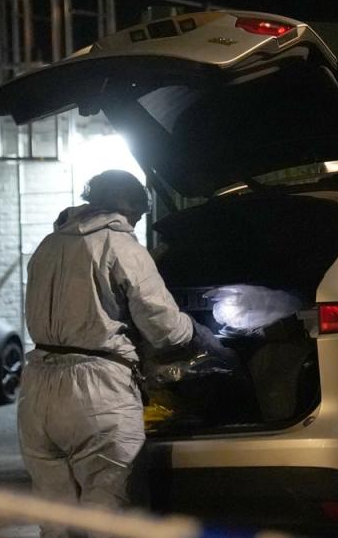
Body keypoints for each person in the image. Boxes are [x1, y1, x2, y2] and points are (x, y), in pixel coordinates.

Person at [17, 169, 210, 537]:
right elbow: (164, 327)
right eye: (136, 214)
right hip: (96, 392)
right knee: (110, 515)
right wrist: (198, 332)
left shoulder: (47, 245)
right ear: (129, 207)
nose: (135, 222)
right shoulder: (121, 246)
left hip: (36, 389)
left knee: (56, 520)